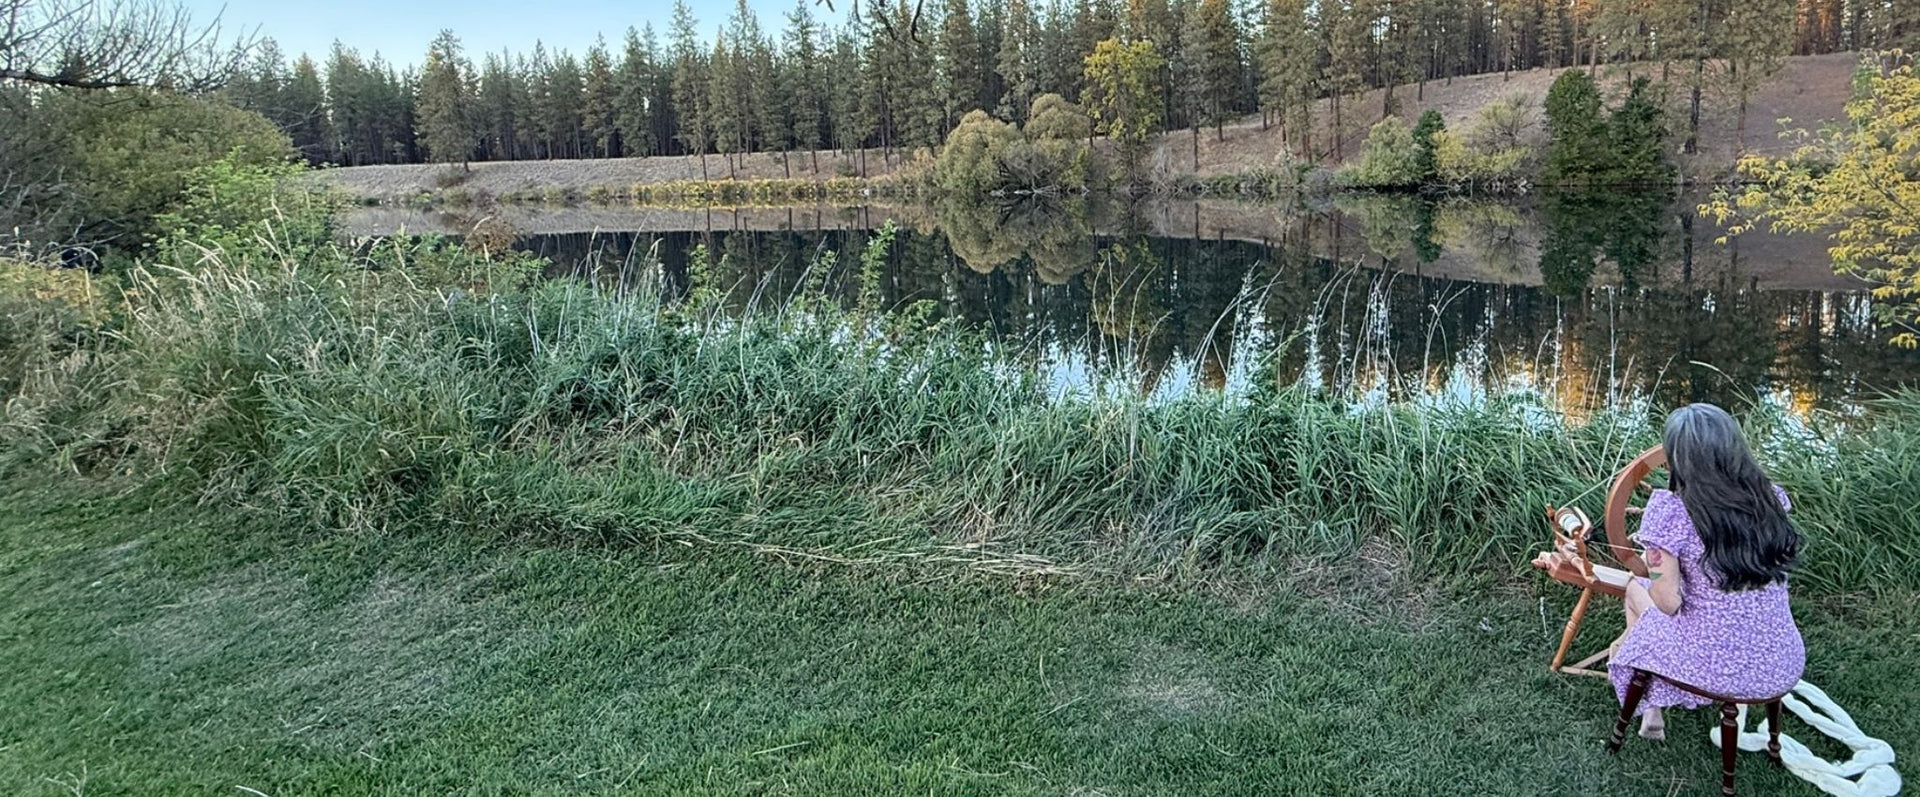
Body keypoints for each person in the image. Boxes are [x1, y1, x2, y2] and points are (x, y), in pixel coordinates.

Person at [1609, 403, 1804, 740]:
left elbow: (1668, 603)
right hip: (1781, 660)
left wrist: (1652, 550)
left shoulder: (1671, 513)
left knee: (1634, 590)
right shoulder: (1771, 498)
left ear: (1676, 459)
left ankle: (1650, 703)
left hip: (1717, 669)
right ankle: (1650, 700)